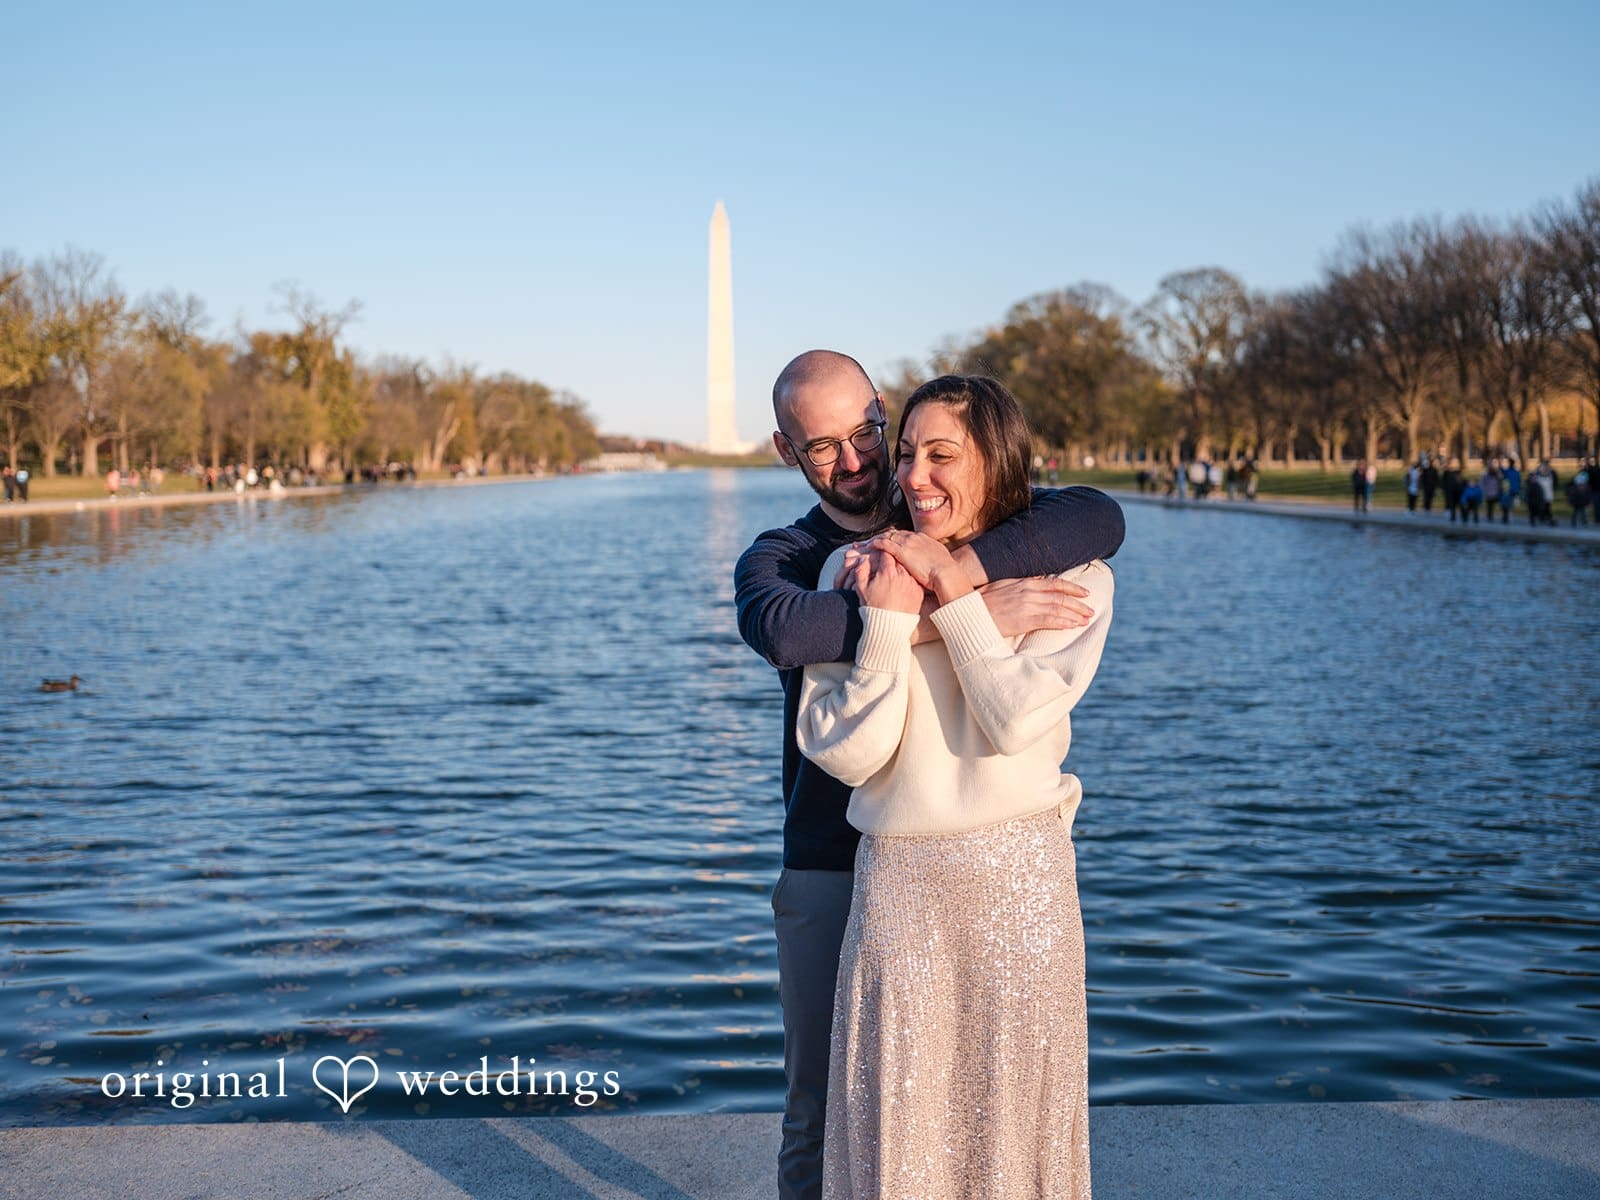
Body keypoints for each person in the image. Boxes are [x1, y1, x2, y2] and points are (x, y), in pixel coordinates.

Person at [733, 351, 1125, 1200]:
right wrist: (954, 618)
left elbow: (1100, 517)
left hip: (1002, 869)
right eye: (824, 446)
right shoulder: (795, 557)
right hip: (841, 861)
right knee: (830, 1111)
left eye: (871, 433)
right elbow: (785, 635)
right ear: (785, 451)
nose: (866, 461)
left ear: (882, 412)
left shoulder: (1021, 546)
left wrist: (960, 579)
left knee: (1002, 1108)